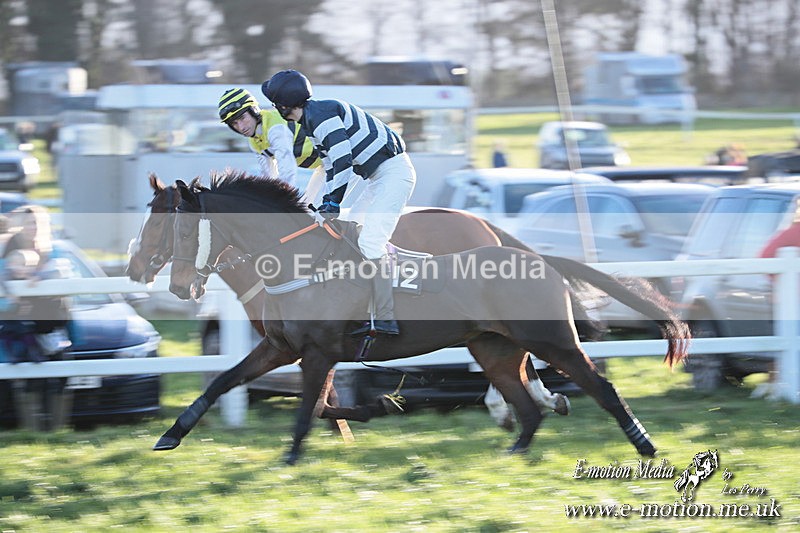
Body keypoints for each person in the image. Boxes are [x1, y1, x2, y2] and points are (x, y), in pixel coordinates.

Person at [263, 69, 417, 336]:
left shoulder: (321, 116)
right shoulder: (311, 121)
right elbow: (332, 167)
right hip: (377, 177)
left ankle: (385, 318)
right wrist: (324, 205)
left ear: (283, 105)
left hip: (394, 173)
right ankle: (365, 306)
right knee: (353, 233)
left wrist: (333, 203)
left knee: (370, 242)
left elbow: (344, 160)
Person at [218, 87, 324, 201]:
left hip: (335, 161)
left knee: (315, 208)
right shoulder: (254, 141)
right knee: (306, 209)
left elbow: (287, 169)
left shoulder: (275, 128)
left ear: (253, 110)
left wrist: (281, 200)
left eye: (242, 118)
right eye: (234, 123)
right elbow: (269, 177)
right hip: (323, 166)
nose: (241, 127)